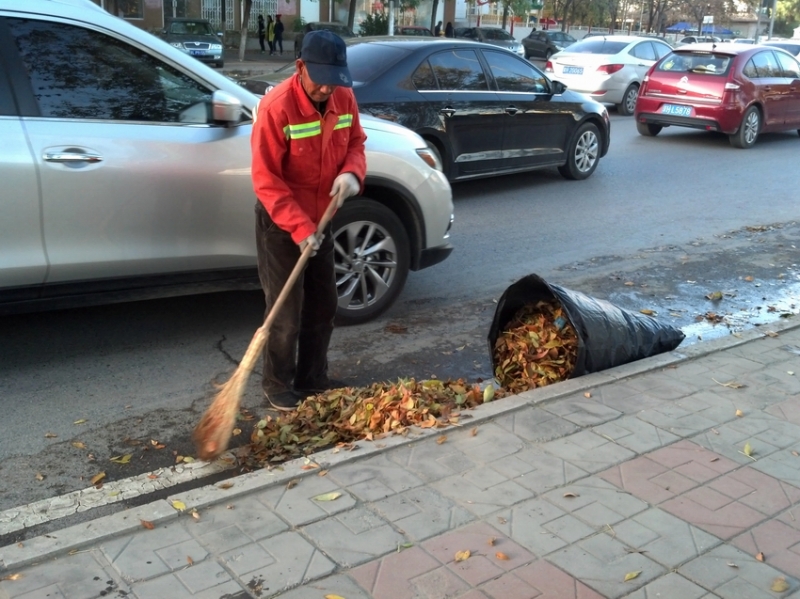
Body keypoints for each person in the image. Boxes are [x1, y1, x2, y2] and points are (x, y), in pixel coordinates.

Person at [251, 30, 367, 411]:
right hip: (282, 224)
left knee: (323, 305)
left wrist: (351, 173)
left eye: (335, 81)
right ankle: (276, 383)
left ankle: (313, 377)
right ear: (301, 67)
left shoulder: (343, 96)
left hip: (324, 215)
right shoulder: (277, 108)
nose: (326, 89)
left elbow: (355, 142)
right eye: (320, 80)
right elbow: (266, 180)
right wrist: (300, 229)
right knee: (285, 314)